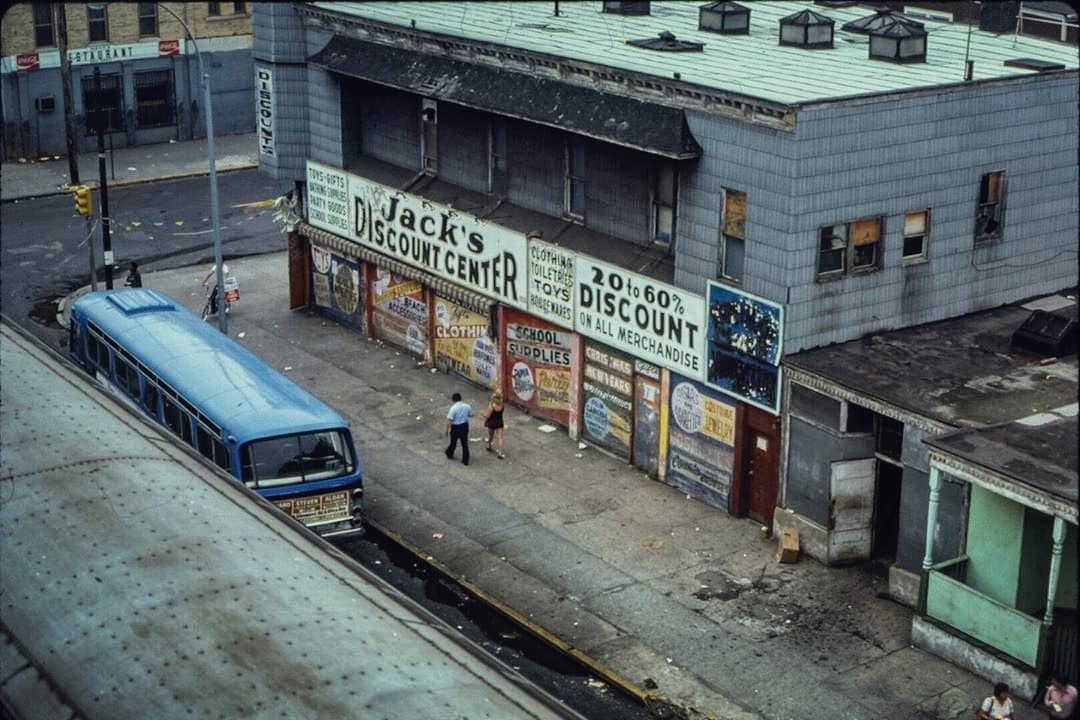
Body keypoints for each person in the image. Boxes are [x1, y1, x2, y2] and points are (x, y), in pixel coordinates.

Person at [444, 392, 472, 466]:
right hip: (464, 426)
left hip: (455, 427)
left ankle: (449, 453)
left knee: (453, 442)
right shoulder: (467, 406)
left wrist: (446, 430)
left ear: (453, 400)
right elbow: (470, 414)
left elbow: (449, 420)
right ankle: (465, 460)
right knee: (464, 443)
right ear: (461, 398)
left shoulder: (453, 408)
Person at [483, 389, 506, 459]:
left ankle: (489, 446)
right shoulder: (502, 405)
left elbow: (487, 416)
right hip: (499, 422)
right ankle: (500, 453)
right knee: (500, 438)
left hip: (491, 423)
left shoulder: (492, 406)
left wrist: (485, 421)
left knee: (491, 436)